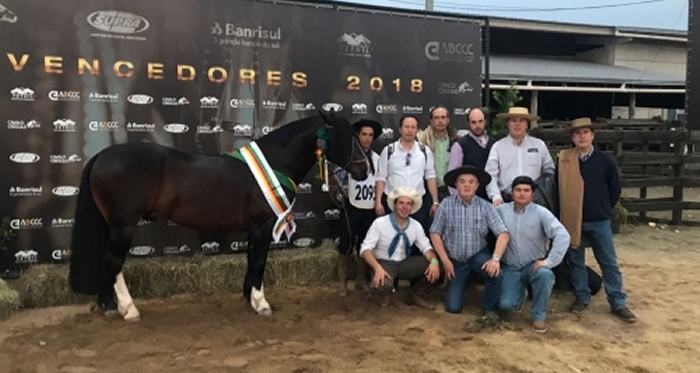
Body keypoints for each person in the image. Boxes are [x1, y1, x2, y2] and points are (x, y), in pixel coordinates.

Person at [557, 117, 636, 323]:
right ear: (572, 137)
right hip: (573, 220)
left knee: (608, 262)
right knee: (576, 262)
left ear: (592, 135)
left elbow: (614, 190)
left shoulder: (605, 161)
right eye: (577, 133)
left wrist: (602, 208)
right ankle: (581, 297)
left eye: (586, 132)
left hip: (599, 220)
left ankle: (617, 301)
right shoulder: (565, 160)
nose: (582, 136)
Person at [429, 165, 510, 321]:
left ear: (477, 185)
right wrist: (445, 261)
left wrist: (495, 259)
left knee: (496, 273)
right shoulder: (446, 204)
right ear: (456, 185)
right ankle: (460, 285)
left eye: (471, 181)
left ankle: (489, 308)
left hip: (478, 255)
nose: (467, 185)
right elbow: (435, 233)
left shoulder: (486, 206)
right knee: (453, 307)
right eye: (462, 181)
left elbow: (503, 233)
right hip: (455, 260)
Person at [496, 176, 571, 333]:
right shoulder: (501, 211)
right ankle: (520, 294)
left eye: (526, 190)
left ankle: (539, 316)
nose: (522, 194)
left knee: (545, 275)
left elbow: (563, 235)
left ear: (533, 194)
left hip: (534, 265)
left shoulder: (542, 213)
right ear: (511, 192)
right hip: (511, 267)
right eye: (518, 190)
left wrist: (549, 262)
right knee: (506, 305)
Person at [360, 187, 441, 309]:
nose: (405, 207)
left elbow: (426, 248)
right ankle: (382, 292)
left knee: (437, 266)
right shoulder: (380, 223)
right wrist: (377, 268)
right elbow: (365, 249)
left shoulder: (415, 225)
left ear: (412, 207)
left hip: (404, 263)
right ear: (395, 205)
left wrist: (434, 261)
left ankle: (414, 294)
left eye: (408, 204)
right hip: (383, 263)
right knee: (383, 285)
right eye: (401, 203)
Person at [333, 119, 382, 297]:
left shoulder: (378, 159)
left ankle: (361, 280)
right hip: (351, 205)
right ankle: (342, 282)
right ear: (357, 136)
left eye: (370, 135)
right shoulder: (348, 156)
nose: (367, 139)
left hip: (370, 207)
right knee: (346, 244)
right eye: (364, 134)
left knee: (365, 244)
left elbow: (381, 182)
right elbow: (337, 176)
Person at [375, 115, 440, 231]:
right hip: (392, 204)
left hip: (417, 204)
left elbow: (430, 177)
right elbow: (381, 178)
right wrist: (378, 201)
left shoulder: (425, 151)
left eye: (413, 127)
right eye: (406, 127)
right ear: (400, 129)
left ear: (417, 130)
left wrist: (435, 201)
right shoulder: (388, 151)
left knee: (416, 240)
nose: (410, 130)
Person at [484, 107, 555, 206]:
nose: (517, 124)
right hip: (507, 202)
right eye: (514, 120)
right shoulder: (498, 147)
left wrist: (541, 193)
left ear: (527, 124)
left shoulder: (539, 145)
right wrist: (496, 196)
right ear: (508, 124)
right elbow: (490, 175)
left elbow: (549, 171)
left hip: (534, 202)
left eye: (521, 121)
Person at [448, 108, 496, 201]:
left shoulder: (495, 144)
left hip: (491, 199)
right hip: (467, 200)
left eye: (480, 121)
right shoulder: (459, 146)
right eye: (473, 122)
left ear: (485, 122)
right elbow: (453, 175)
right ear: (468, 124)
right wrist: (457, 199)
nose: (477, 125)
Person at [417, 105, 458, 201]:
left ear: (448, 120)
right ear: (431, 121)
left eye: (443, 117)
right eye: (436, 118)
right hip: (427, 191)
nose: (440, 121)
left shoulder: (456, 141)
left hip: (450, 190)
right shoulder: (422, 140)